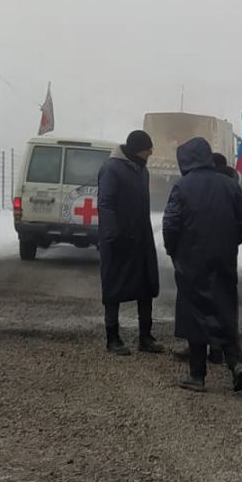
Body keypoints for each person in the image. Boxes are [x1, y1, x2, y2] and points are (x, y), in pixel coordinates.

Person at [163, 137, 242, 393]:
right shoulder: (229, 185)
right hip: (223, 258)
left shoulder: (182, 186)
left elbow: (170, 224)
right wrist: (229, 241)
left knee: (195, 315)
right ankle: (237, 365)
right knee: (224, 309)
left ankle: (198, 376)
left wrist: (174, 251)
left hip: (191, 260)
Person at [97, 130, 164, 355]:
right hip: (118, 239)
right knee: (114, 287)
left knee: (146, 285)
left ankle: (145, 336)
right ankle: (112, 338)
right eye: (148, 149)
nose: (151, 153)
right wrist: (114, 235)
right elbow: (105, 204)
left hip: (141, 237)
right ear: (137, 150)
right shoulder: (111, 169)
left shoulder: (142, 171)